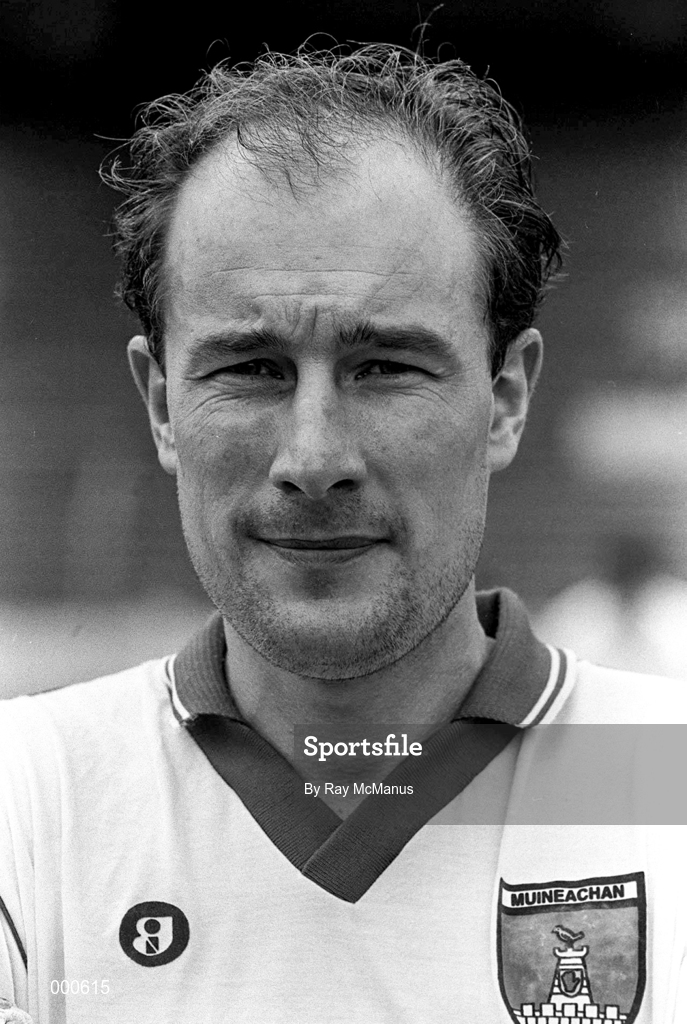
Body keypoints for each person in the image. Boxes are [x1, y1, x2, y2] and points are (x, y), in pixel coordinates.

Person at [1, 43, 685, 1024]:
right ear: (159, 404)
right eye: (252, 368)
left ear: (505, 399)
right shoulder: (33, 799)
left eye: (385, 366)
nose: (313, 457)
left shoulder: (669, 780)